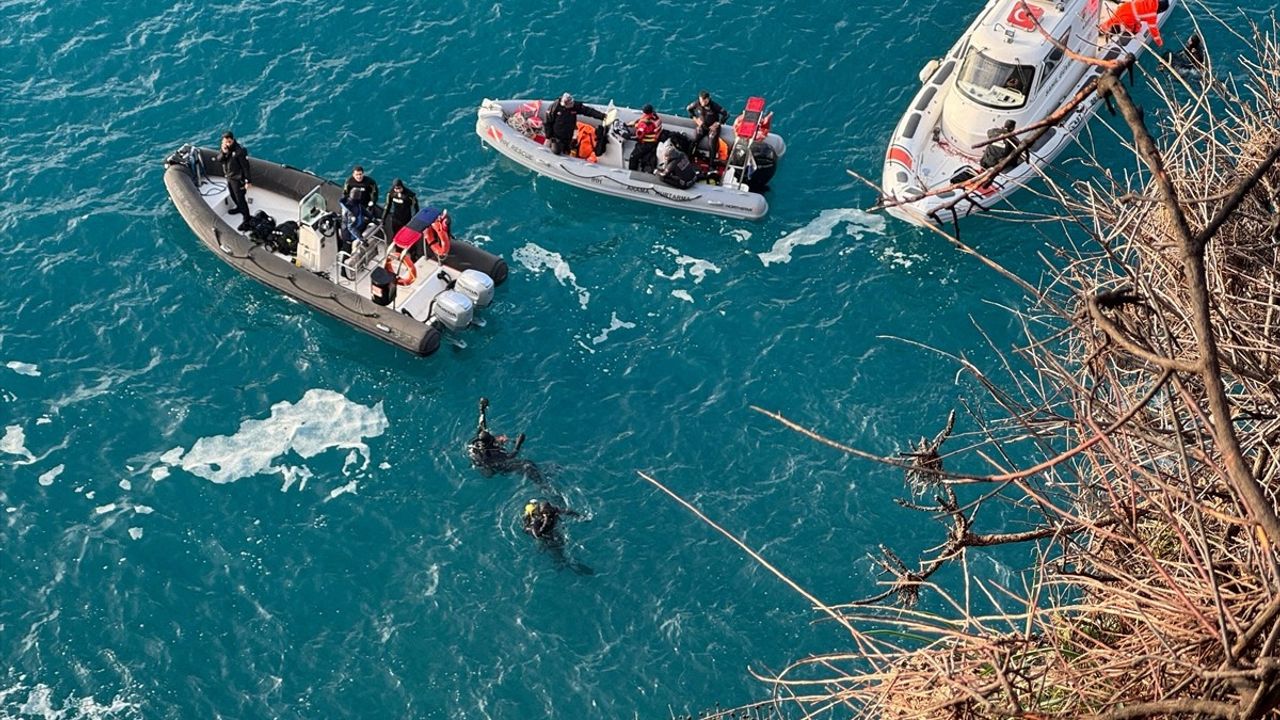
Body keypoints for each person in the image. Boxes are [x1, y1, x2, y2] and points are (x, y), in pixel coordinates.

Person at [467, 397, 541, 482]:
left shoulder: (478, 441)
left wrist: (482, 409)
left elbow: (482, 423)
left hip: (482, 459)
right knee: (528, 465)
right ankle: (543, 486)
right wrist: (518, 443)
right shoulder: (492, 455)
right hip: (495, 465)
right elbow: (511, 455)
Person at [544, 92, 606, 156]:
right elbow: (547, 122)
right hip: (556, 136)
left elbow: (588, 111)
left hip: (568, 134)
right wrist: (548, 136)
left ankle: (567, 152)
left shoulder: (574, 106)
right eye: (570, 103)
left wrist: (601, 116)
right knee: (556, 150)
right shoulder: (555, 107)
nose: (572, 104)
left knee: (567, 149)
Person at [215, 131, 252, 231]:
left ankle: (247, 218)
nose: (227, 144)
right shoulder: (225, 149)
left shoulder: (239, 151)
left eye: (229, 142)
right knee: (232, 195)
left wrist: (248, 181)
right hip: (229, 177)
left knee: (240, 199)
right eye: (225, 142)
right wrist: (224, 152)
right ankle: (239, 208)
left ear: (232, 140)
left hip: (238, 179)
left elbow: (245, 167)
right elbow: (219, 159)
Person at [1102, 0, 1169, 47]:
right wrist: (1159, 42)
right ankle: (1110, 31)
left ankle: (1102, 28)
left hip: (1124, 7)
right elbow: (1153, 30)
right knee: (1136, 28)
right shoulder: (1152, 15)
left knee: (1114, 18)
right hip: (1127, 18)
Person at [686, 90, 728, 160]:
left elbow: (726, 114)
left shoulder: (714, 106)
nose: (701, 103)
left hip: (713, 128)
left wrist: (718, 123)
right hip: (702, 126)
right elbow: (688, 109)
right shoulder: (697, 103)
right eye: (700, 100)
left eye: (703, 101)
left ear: (707, 99)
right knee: (694, 141)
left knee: (712, 145)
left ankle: (711, 165)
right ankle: (689, 158)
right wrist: (696, 119)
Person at [341, 165, 379, 234]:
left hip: (365, 204)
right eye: (356, 175)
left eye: (360, 174)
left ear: (363, 174)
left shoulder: (370, 182)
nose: (359, 176)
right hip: (354, 204)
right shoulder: (349, 181)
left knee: (366, 219)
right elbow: (345, 193)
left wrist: (372, 202)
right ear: (353, 175)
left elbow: (375, 193)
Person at [628, 104, 663, 172]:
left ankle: (632, 172)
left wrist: (627, 136)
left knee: (633, 157)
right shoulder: (655, 116)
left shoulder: (644, 124)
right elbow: (648, 125)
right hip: (656, 139)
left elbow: (639, 136)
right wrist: (635, 124)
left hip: (647, 144)